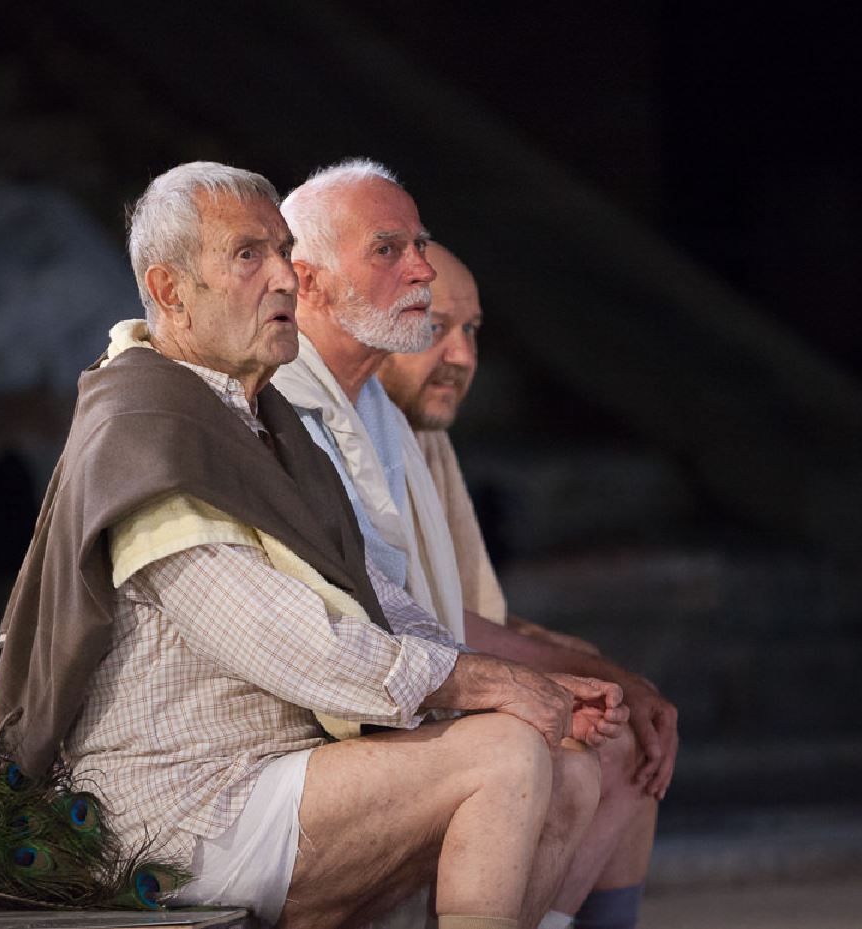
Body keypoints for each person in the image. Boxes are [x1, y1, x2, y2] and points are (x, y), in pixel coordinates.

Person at [0, 161, 627, 929]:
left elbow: (374, 598)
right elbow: (295, 645)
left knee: (567, 769)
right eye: (247, 255)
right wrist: (489, 685)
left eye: (283, 251)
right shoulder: (148, 433)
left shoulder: (259, 417)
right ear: (169, 291)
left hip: (282, 776)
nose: (283, 278)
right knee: (502, 753)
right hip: (180, 804)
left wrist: (524, 686)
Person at [273, 160, 677, 929]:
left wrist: (578, 674)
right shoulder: (273, 409)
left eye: (469, 330)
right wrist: (520, 685)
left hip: (397, 700)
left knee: (605, 736)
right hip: (295, 750)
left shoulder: (380, 419)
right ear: (308, 281)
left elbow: (423, 614)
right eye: (388, 251)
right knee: (546, 757)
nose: (419, 272)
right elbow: (360, 629)